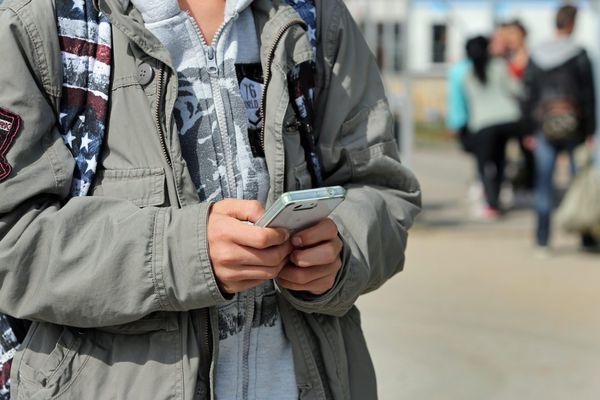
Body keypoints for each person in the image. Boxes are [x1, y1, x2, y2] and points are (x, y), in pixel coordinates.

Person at [0, 0, 421, 399]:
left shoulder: (313, 13)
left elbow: (383, 188)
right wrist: (183, 253)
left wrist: (340, 252)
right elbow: (11, 241)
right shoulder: (39, 19)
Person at [523, 5, 597, 252]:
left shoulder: (537, 54)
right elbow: (588, 95)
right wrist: (590, 130)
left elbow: (528, 94)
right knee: (581, 183)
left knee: (544, 186)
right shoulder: (579, 54)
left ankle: (542, 241)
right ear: (573, 24)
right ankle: (586, 237)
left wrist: (529, 129)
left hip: (545, 128)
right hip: (574, 128)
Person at [463, 35, 522, 220]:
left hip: (483, 124)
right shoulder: (499, 67)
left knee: (485, 166)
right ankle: (498, 198)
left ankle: (491, 204)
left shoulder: (467, 76)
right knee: (501, 161)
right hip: (507, 119)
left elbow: (469, 106)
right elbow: (515, 89)